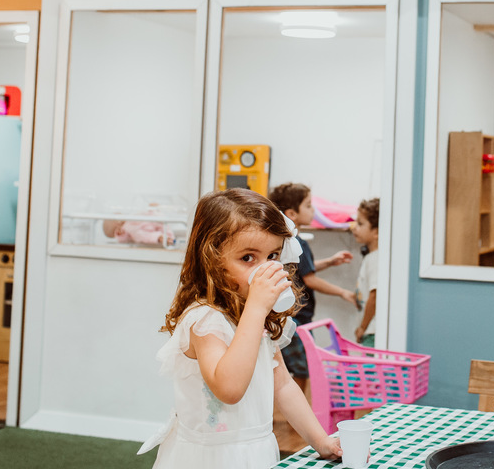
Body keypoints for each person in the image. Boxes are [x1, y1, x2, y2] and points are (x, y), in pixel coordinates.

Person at [138, 188, 341, 468]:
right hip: (211, 457)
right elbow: (229, 389)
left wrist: (322, 442)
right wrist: (257, 310)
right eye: (248, 258)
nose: (265, 269)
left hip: (255, 451)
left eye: (272, 256)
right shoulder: (204, 320)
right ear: (213, 261)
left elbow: (283, 386)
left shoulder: (255, 318)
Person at [269, 182, 355, 385]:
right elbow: (310, 279)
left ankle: (285, 414)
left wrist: (330, 262)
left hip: (288, 317)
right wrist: (343, 292)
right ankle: (291, 415)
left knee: (286, 368)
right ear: (292, 213)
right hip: (297, 319)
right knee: (302, 370)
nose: (313, 210)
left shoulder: (286, 241)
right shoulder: (297, 242)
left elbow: (301, 270)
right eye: (308, 205)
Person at [351, 197, 380, 346]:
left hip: (372, 330)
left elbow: (374, 296)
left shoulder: (376, 258)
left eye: (361, 224)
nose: (355, 228)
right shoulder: (371, 257)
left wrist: (362, 327)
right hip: (369, 329)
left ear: (376, 232)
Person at [102, 219, 176, 246]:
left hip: (158, 225)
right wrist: (158, 237)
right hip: (159, 231)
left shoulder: (129, 223)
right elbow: (142, 236)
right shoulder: (127, 228)